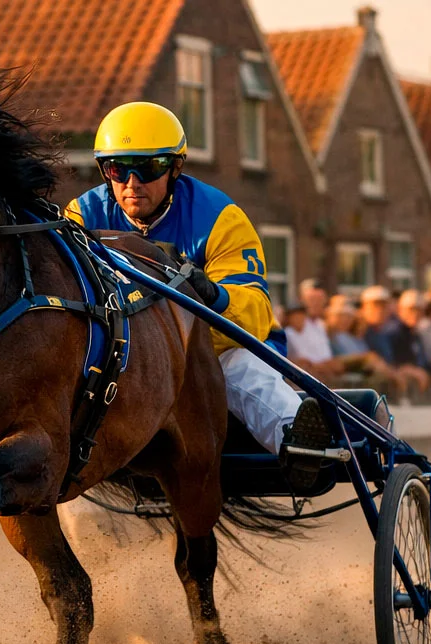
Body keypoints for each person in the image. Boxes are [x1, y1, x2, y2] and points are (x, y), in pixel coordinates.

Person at [65, 102, 328, 490]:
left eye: (149, 168)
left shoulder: (219, 217)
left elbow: (254, 315)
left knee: (241, 370)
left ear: (175, 169)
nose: (132, 183)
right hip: (124, 357)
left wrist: (213, 294)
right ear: (105, 171)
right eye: (118, 169)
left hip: (208, 351)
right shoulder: (81, 217)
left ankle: (299, 440)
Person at [359, 286, 430, 398]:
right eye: (375, 306)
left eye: (384, 306)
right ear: (363, 307)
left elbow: (390, 361)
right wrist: (398, 372)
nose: (380, 310)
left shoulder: (382, 334)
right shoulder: (362, 332)